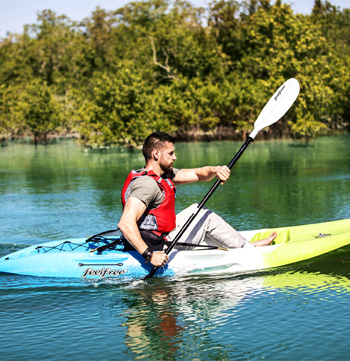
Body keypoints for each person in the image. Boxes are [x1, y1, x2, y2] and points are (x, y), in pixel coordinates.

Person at [118, 132, 276, 267]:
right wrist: (149, 256)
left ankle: (241, 245)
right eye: (171, 153)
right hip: (158, 247)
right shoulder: (147, 185)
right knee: (203, 216)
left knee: (196, 210)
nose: (175, 157)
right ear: (156, 154)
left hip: (161, 236)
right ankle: (248, 249)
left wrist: (216, 170)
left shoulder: (163, 175)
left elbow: (198, 174)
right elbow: (125, 223)